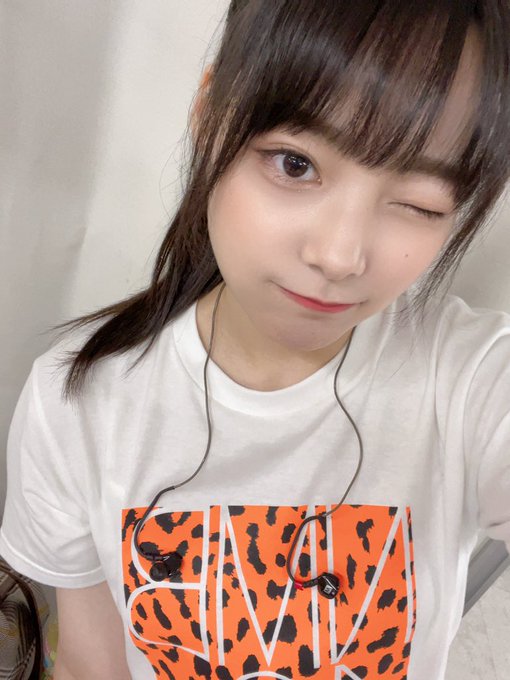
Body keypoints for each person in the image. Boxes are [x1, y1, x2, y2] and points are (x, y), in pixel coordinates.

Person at [1, 1, 510, 678]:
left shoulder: (471, 380)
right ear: (211, 117)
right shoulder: (78, 399)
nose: (339, 256)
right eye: (295, 165)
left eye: (418, 203)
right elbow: (91, 663)